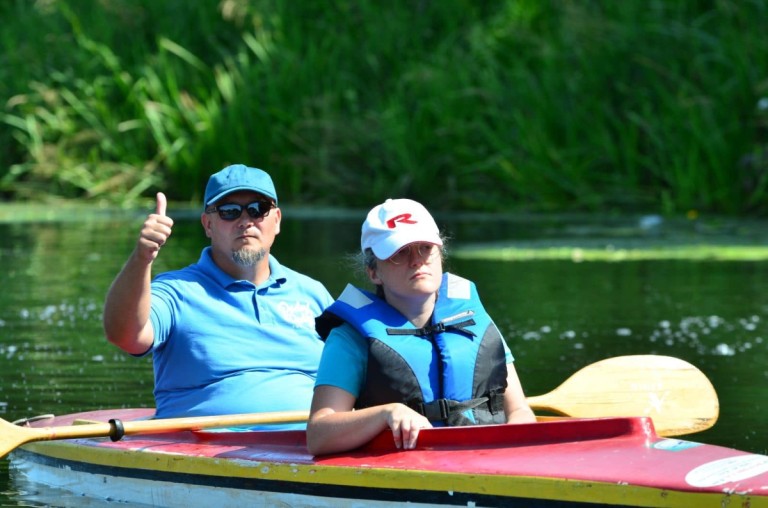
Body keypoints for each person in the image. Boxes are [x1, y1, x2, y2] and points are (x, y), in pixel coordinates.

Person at [103, 164, 333, 429]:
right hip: (207, 454)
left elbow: (357, 368)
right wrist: (142, 257)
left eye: (258, 209)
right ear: (208, 224)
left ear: (277, 220)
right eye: (229, 212)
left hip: (315, 447)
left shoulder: (313, 292)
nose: (245, 221)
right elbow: (124, 335)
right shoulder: (176, 290)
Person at [307, 198, 535, 454]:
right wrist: (387, 413)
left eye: (425, 248)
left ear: (440, 255)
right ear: (373, 272)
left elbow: (519, 410)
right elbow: (319, 434)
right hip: (409, 467)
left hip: (490, 457)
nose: (417, 261)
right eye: (399, 253)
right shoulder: (350, 338)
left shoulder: (474, 318)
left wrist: (516, 443)